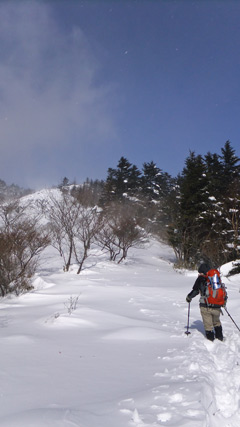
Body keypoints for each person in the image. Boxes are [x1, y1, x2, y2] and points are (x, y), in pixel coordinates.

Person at [186, 263, 224, 341]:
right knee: (216, 322)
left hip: (205, 306)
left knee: (208, 325)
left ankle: (211, 341)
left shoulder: (201, 279)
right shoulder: (215, 278)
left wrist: (189, 297)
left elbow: (195, 291)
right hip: (217, 306)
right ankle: (220, 338)